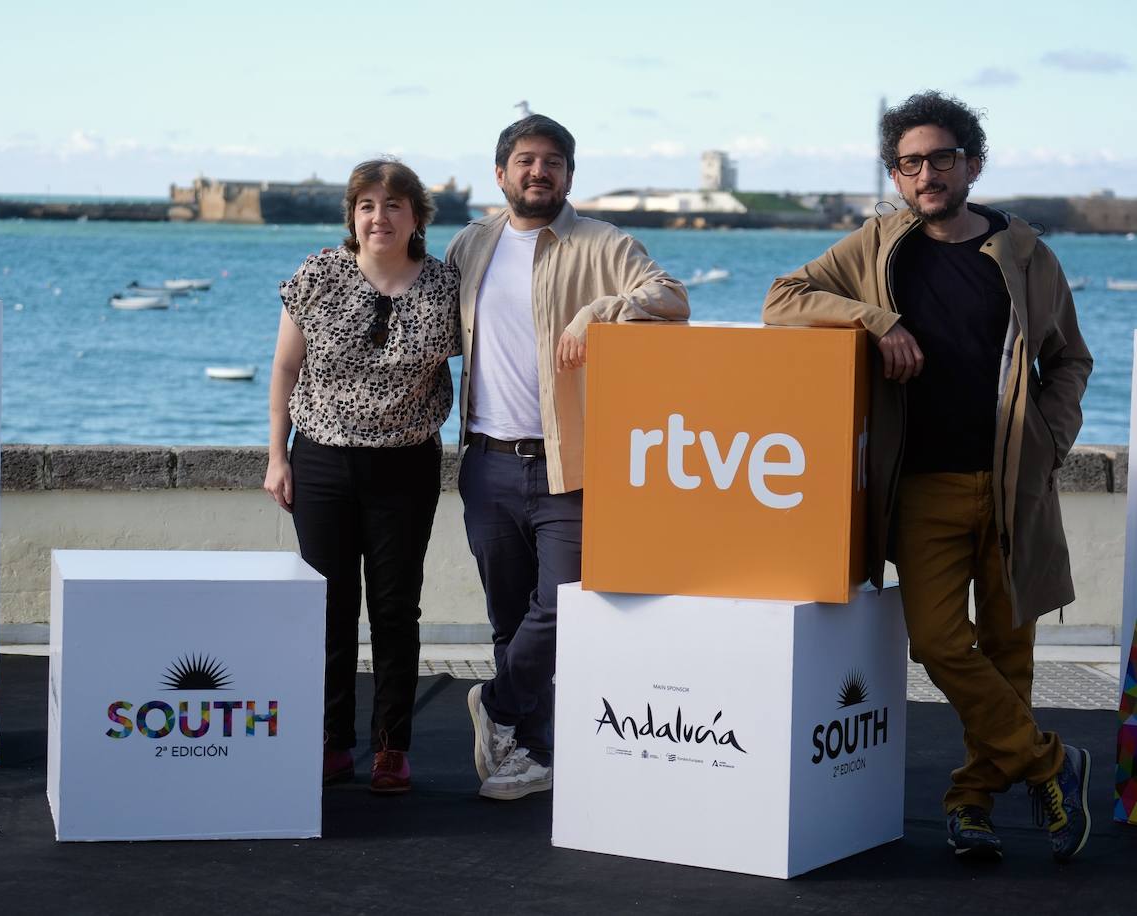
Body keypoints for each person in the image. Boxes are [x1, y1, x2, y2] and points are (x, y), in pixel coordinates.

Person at [763, 91, 1093, 861]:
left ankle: (971, 803)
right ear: (897, 173)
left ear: (972, 163)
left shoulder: (1026, 253)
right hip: (923, 487)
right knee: (939, 642)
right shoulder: (878, 245)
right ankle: (1052, 762)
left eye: (941, 157)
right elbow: (783, 299)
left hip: (1016, 484)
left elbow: (1070, 357)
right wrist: (878, 322)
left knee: (1010, 652)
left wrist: (1052, 436)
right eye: (909, 163)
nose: (926, 173)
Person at [446, 114, 688, 800]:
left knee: (564, 605)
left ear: (569, 176)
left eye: (553, 161)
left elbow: (672, 300)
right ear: (500, 173)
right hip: (486, 460)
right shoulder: (472, 245)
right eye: (525, 160)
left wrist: (600, 312)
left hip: (570, 461)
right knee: (508, 617)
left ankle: (494, 705)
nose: (538, 171)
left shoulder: (604, 243)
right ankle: (532, 754)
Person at [264, 158, 459, 794]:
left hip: (406, 464)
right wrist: (277, 455)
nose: (381, 216)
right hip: (321, 459)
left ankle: (391, 747)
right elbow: (285, 370)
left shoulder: (443, 286)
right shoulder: (317, 275)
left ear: (417, 218)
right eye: (368, 205)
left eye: (395, 205)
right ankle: (330, 740)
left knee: (395, 608)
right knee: (329, 605)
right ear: (353, 216)